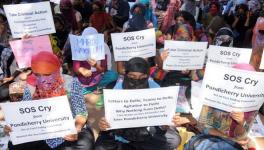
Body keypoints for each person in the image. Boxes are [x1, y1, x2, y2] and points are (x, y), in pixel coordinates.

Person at [5, 51, 94, 150]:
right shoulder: (31, 87)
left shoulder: (71, 83)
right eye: (37, 75)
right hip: (40, 131)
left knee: (85, 144)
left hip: (66, 131)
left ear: (57, 70)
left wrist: (76, 129)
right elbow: (23, 114)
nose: (42, 79)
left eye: (47, 74)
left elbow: (81, 112)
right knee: (13, 143)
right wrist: (13, 127)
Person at [94, 57, 181, 150]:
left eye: (142, 77)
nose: (137, 80)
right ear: (125, 74)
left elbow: (161, 121)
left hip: (148, 132)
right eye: (132, 77)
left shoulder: (155, 88)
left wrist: (165, 123)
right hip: (123, 135)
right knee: (100, 147)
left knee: (173, 140)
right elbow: (110, 120)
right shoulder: (117, 90)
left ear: (147, 76)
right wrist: (104, 124)